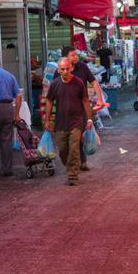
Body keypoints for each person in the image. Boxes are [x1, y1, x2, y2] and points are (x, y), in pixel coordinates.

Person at [43, 58, 93, 186]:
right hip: (60, 123)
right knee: (63, 149)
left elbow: (85, 100)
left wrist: (89, 118)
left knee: (74, 148)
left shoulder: (79, 83)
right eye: (62, 69)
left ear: (71, 68)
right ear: (58, 70)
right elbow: (49, 101)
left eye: (67, 68)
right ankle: (69, 165)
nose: (65, 71)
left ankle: (72, 175)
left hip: (76, 122)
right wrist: (47, 119)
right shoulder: (55, 84)